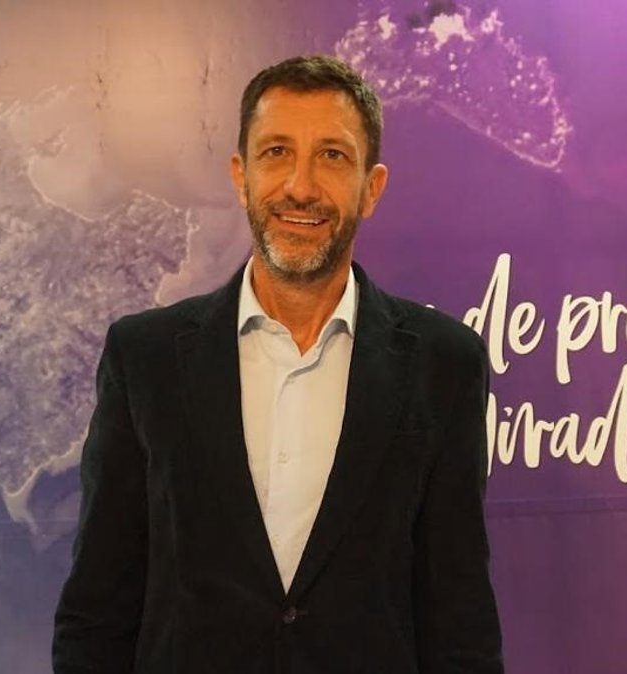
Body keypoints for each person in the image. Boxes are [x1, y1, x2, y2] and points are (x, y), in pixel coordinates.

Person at [52, 54, 503, 673]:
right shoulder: (146, 358)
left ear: (371, 188)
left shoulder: (444, 364)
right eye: (276, 152)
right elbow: (97, 609)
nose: (301, 186)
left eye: (332, 156)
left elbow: (460, 619)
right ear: (241, 176)